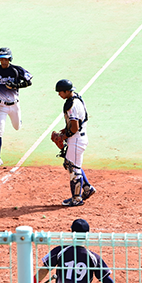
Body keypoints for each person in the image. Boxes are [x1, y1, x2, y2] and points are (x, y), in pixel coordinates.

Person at [33, 219, 119, 283]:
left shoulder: (60, 251)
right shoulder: (94, 258)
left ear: (72, 233)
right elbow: (107, 281)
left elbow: (43, 271)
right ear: (87, 235)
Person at [0, 47, 33, 167]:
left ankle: (19, 120)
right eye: (1, 59)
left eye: (6, 59)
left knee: (17, 127)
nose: (4, 61)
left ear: (9, 59)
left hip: (14, 105)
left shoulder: (16, 70)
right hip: (0, 106)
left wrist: (15, 86)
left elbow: (29, 82)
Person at [54, 79, 96, 207]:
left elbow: (74, 128)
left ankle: (77, 199)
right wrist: (65, 131)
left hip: (77, 139)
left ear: (67, 91)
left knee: (74, 169)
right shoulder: (76, 98)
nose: (59, 94)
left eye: (60, 92)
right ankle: (87, 188)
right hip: (79, 137)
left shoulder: (72, 105)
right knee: (69, 164)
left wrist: (63, 136)